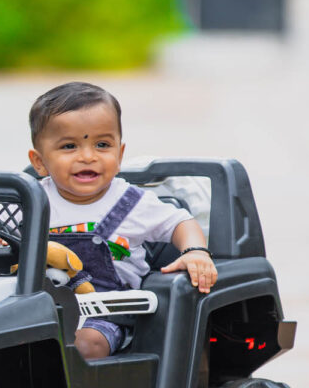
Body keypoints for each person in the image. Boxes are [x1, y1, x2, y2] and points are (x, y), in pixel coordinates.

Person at [28, 81, 217, 360]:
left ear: (120, 154)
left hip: (108, 317)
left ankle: (71, 386)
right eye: (69, 146)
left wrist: (195, 251)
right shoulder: (32, 199)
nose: (88, 156)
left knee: (84, 345)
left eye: (102, 145)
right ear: (40, 161)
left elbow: (180, 222)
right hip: (39, 311)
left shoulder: (132, 203)